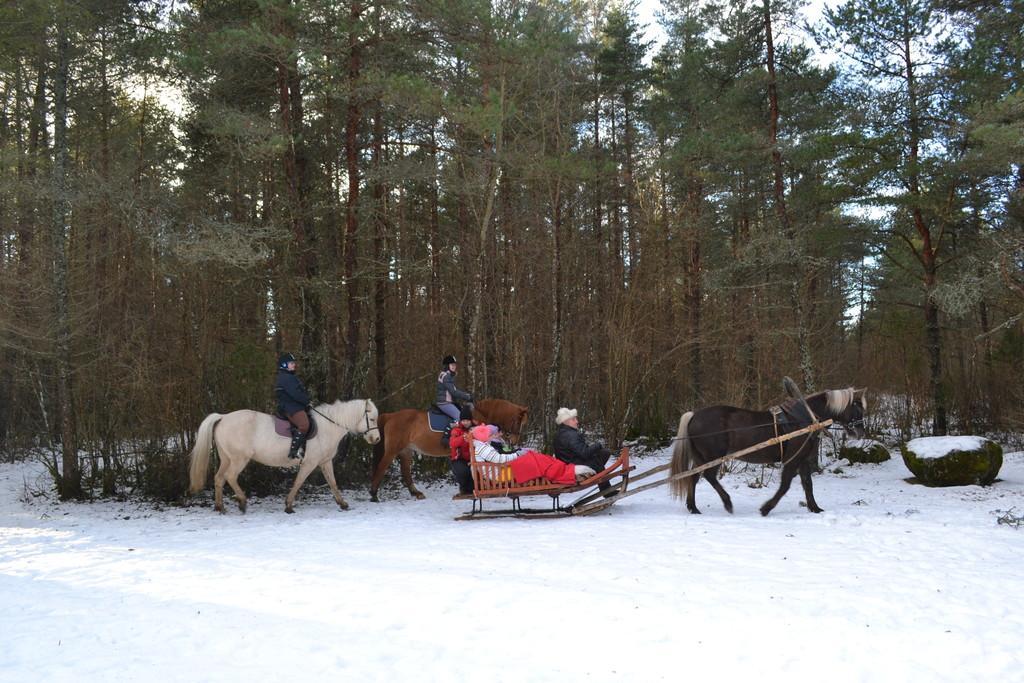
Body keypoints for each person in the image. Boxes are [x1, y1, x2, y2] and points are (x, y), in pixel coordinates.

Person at [471, 424, 594, 485]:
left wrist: (519, 454)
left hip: (503, 469)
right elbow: (499, 459)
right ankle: (564, 471)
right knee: (533, 459)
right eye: (489, 435)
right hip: (502, 473)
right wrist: (518, 455)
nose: (491, 437)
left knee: (535, 457)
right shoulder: (483, 448)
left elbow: (499, 458)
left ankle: (564, 469)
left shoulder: (483, 446)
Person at [552, 407, 613, 492]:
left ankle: (601, 480)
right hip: (573, 465)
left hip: (567, 463)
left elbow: (578, 451)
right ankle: (606, 491)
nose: (577, 421)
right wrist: (598, 445)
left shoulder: (560, 433)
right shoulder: (571, 435)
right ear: (566, 421)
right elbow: (584, 453)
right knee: (598, 460)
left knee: (603, 453)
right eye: (573, 419)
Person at [275, 352, 311, 460]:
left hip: (293, 406)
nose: (294, 365)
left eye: (293, 363)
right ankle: (293, 451)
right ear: (284, 365)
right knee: (304, 425)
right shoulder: (286, 378)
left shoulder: (288, 376)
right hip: (291, 407)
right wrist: (306, 401)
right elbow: (296, 394)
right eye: (291, 363)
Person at [448, 406, 477, 496]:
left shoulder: (475, 429)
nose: (465, 423)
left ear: (471, 420)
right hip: (459, 459)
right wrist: (463, 437)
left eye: (467, 421)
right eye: (463, 421)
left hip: (473, 458)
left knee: (475, 473)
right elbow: (452, 443)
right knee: (463, 472)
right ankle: (464, 488)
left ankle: (472, 489)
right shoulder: (456, 430)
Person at [436, 355, 472, 423]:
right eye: (452, 365)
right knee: (461, 418)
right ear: (447, 365)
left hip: (448, 402)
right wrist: (467, 396)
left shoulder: (447, 375)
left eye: (455, 365)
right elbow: (453, 392)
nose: (454, 366)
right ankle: (451, 432)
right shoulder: (446, 376)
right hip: (445, 403)